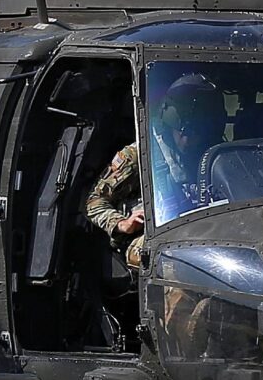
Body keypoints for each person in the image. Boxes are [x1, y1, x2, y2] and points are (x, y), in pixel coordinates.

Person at [84, 72, 222, 270]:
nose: (190, 140)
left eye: (197, 134)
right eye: (184, 132)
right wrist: (122, 223)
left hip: (197, 234)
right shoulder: (139, 154)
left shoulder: (213, 154)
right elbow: (93, 201)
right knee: (177, 265)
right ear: (170, 125)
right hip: (146, 241)